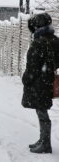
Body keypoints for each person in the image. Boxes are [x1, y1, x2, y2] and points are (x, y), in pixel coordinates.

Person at [22, 12, 59, 154]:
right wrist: (50, 70)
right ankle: (43, 140)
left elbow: (32, 67)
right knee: (41, 110)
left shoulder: (38, 42)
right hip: (48, 80)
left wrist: (26, 79)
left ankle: (45, 144)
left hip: (39, 83)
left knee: (41, 111)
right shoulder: (55, 40)